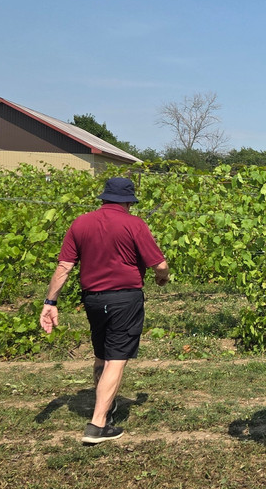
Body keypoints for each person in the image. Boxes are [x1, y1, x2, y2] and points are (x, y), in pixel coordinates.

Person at [40, 176, 169, 444]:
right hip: (125, 298)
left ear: (104, 198)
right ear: (129, 201)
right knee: (117, 358)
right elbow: (160, 265)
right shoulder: (134, 224)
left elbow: (64, 267)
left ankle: (106, 408)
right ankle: (98, 425)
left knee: (101, 354)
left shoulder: (81, 222)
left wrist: (50, 303)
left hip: (93, 299)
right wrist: (162, 278)